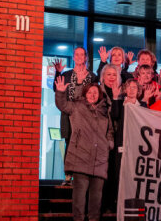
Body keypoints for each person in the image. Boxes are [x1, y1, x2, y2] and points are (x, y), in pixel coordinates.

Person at [54, 78, 112, 221]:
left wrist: (109, 143)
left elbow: (110, 131)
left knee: (95, 203)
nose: (93, 95)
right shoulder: (77, 107)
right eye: (90, 92)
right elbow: (62, 105)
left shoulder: (105, 111)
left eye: (95, 93)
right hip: (80, 159)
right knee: (79, 202)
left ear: (100, 95)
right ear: (85, 94)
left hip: (100, 161)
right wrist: (60, 92)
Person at [51, 47, 95, 185]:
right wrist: (58, 73)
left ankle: (83, 176)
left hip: (85, 116)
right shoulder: (66, 74)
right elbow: (56, 88)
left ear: (86, 57)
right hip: (68, 114)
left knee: (84, 145)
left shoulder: (92, 76)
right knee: (69, 144)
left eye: (82, 54)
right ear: (74, 57)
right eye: (77, 54)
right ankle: (68, 177)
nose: (80, 57)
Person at [105, 79, 145, 214]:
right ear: (125, 90)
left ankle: (134, 204)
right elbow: (114, 116)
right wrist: (116, 98)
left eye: (135, 87)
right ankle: (116, 204)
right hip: (122, 146)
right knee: (118, 175)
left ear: (138, 90)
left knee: (135, 177)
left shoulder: (143, 105)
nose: (132, 90)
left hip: (138, 148)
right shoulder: (120, 104)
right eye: (129, 87)